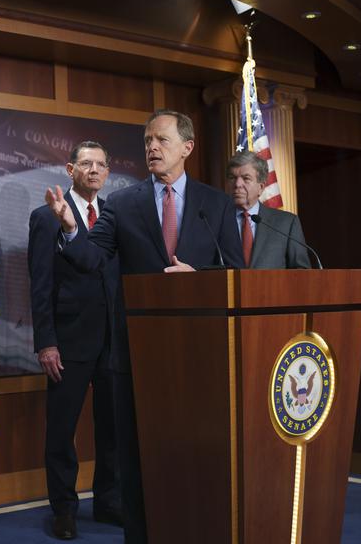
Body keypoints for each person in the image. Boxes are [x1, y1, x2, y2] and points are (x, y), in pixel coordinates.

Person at [44, 110, 244, 544]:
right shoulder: (122, 203)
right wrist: (71, 228)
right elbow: (93, 259)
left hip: (200, 354)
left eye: (161, 140)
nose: (152, 147)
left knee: (194, 453)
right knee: (136, 456)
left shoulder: (216, 204)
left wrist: (200, 281)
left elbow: (236, 274)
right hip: (138, 355)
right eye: (148, 140)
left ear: (187, 147)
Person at [28, 141, 122, 540]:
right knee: (62, 430)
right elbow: (40, 285)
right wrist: (46, 342)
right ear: (70, 170)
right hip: (66, 342)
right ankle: (64, 509)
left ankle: (108, 502)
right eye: (86, 164)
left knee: (113, 428)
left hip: (114, 341)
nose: (94, 170)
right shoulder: (46, 217)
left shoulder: (115, 217)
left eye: (101, 164)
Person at [226, 150, 311, 269]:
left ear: (261, 187)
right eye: (232, 178)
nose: (237, 184)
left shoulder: (286, 223)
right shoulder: (215, 221)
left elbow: (302, 271)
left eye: (246, 178)